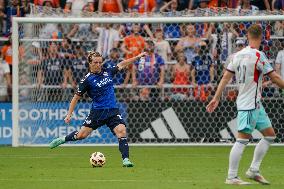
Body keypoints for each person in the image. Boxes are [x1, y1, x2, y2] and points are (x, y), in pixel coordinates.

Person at [206, 24, 284, 185]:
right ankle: (231, 176)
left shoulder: (237, 55)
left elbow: (225, 78)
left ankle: (253, 170)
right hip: (248, 105)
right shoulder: (259, 55)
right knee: (242, 140)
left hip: (255, 104)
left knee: (270, 135)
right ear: (261, 37)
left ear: (248, 36)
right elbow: (275, 78)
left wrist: (216, 97)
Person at [49, 51, 146, 167]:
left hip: (112, 111)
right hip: (97, 112)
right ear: (90, 63)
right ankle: (63, 139)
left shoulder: (107, 72)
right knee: (81, 135)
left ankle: (126, 160)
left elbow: (123, 64)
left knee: (121, 131)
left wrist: (138, 57)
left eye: (100, 62)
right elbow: (75, 98)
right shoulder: (86, 80)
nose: (99, 64)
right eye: (96, 62)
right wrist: (69, 114)